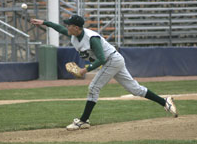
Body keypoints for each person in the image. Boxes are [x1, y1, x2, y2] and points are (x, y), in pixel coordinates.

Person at [30, 15, 178, 131]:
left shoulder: (91, 38)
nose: (66, 27)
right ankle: (164, 101)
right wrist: (44, 22)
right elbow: (58, 27)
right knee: (135, 89)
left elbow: (101, 58)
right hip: (115, 60)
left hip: (111, 60)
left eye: (69, 25)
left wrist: (84, 70)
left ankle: (83, 121)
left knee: (93, 87)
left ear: (76, 27)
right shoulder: (73, 35)